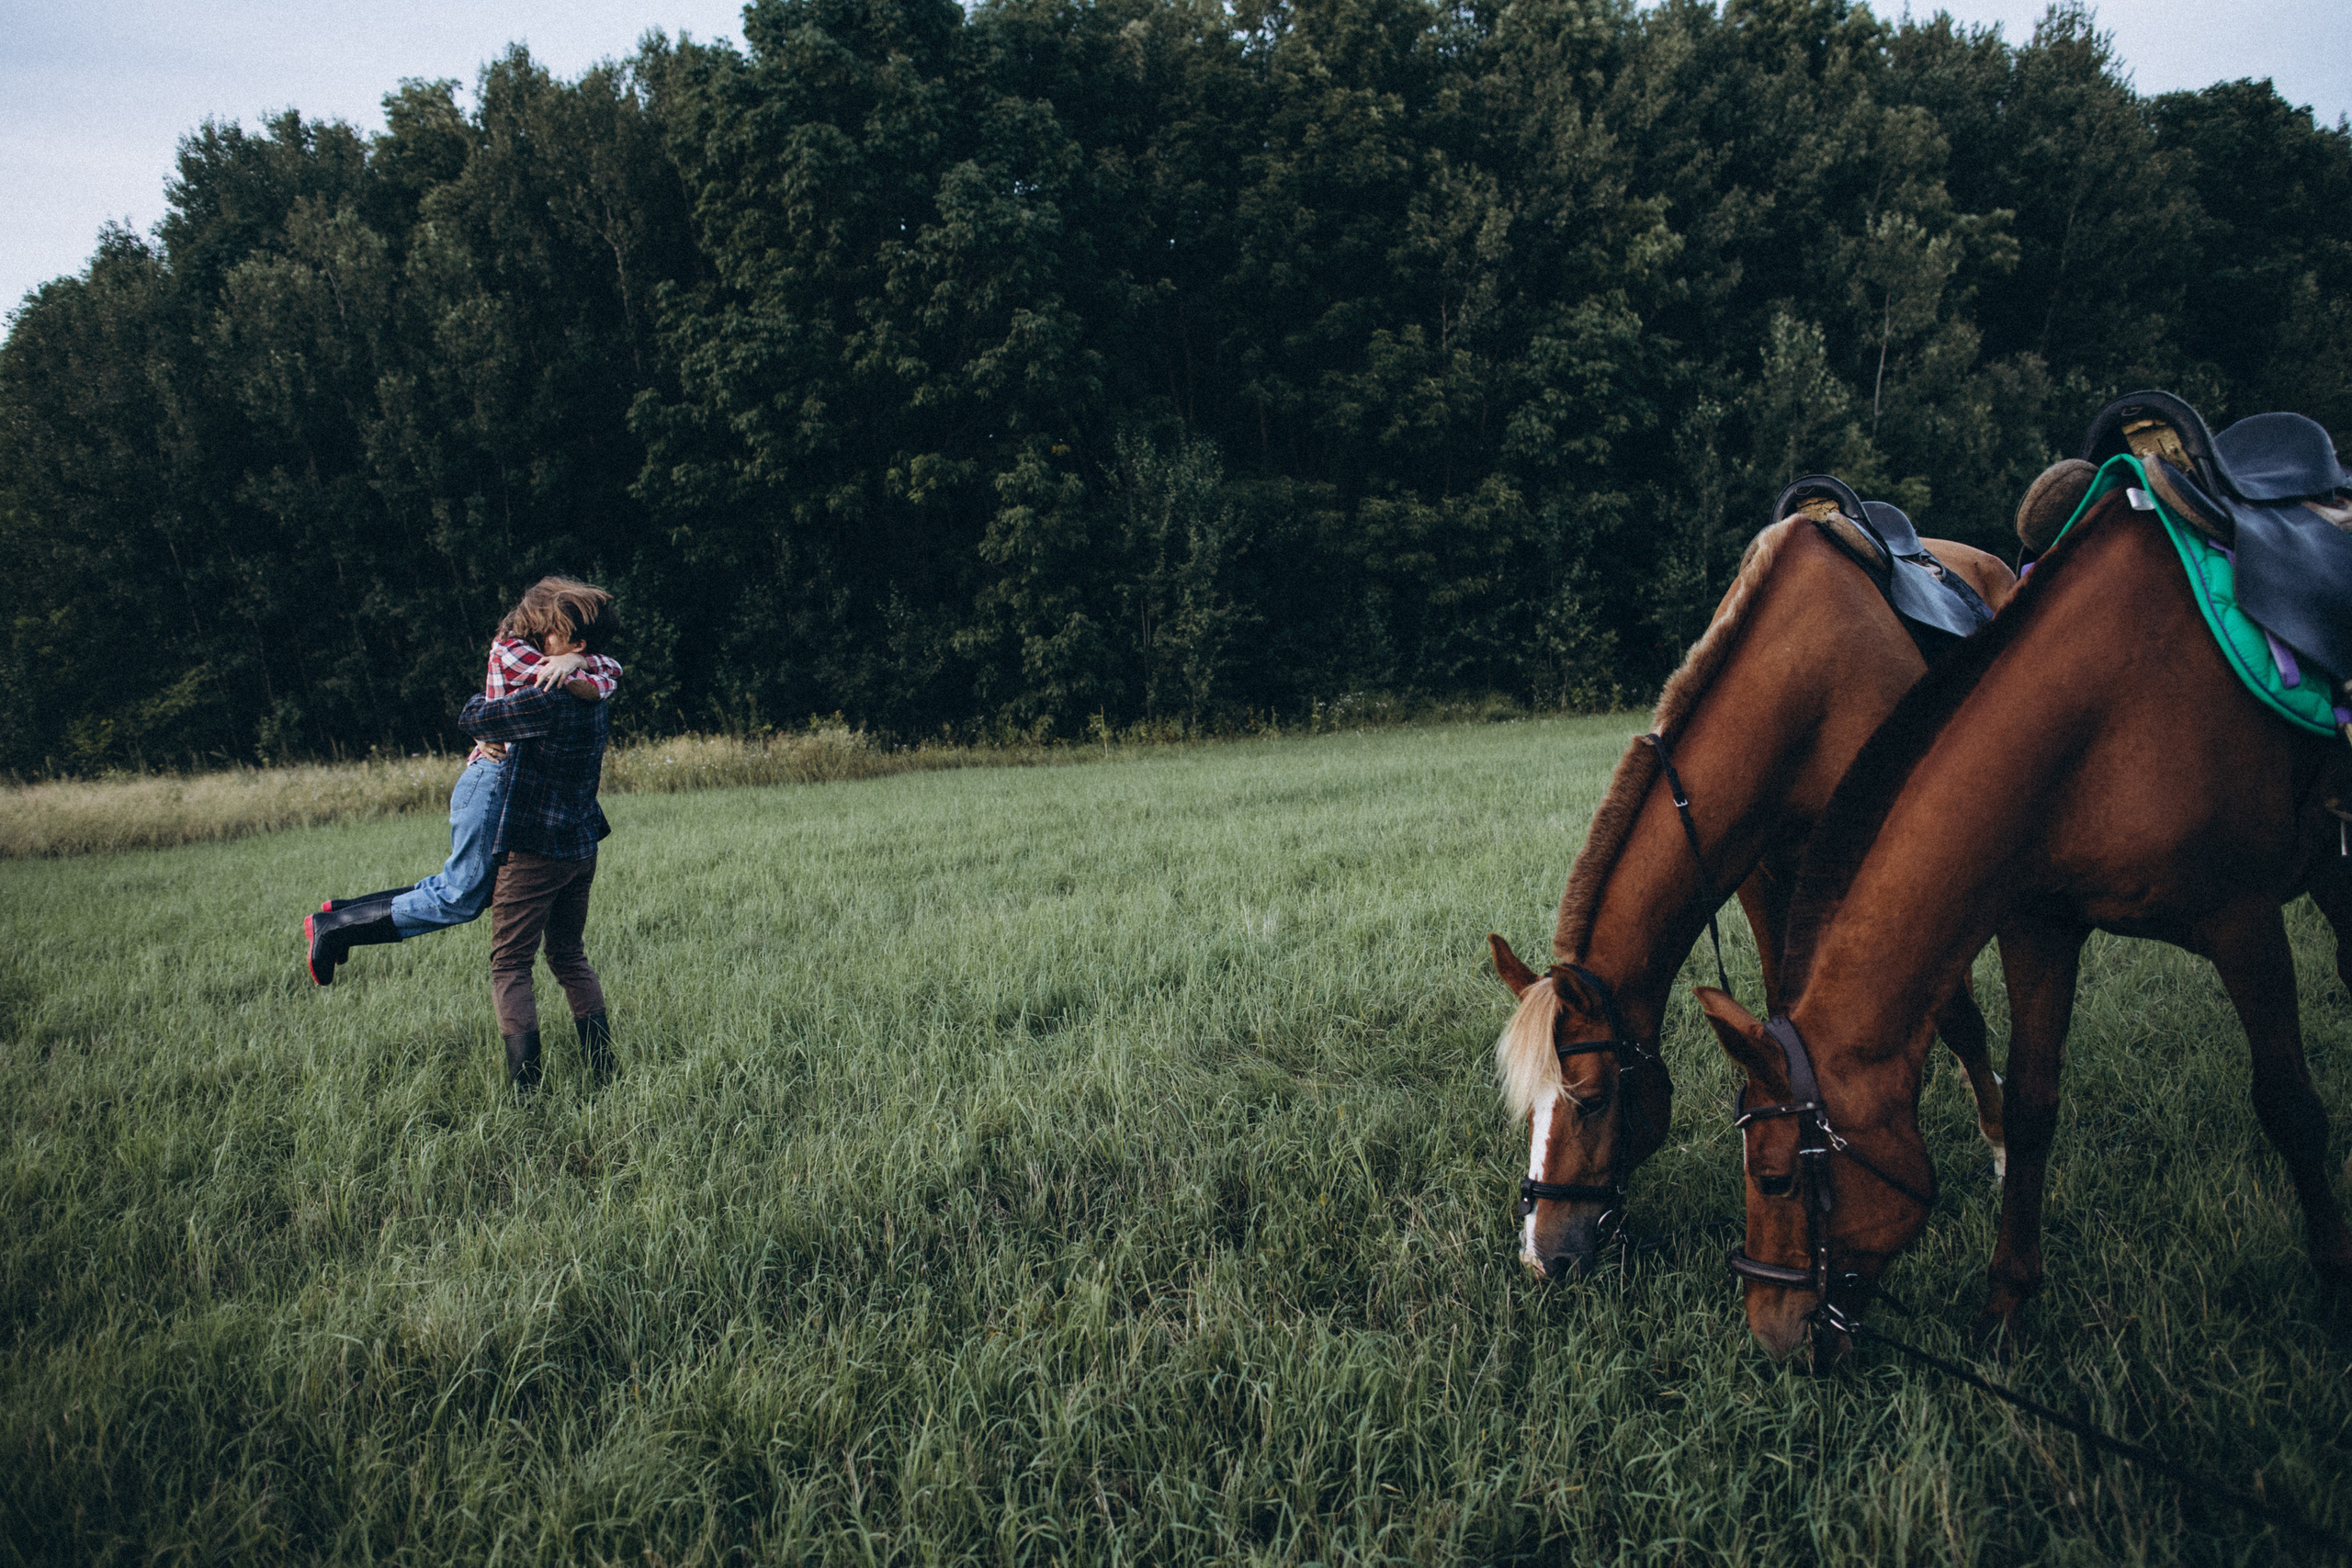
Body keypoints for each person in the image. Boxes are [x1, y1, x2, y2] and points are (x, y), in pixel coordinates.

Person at [303, 580, 622, 986]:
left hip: (507, 785)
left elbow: (609, 671)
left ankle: (344, 914)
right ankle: (336, 928)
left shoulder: (546, 649)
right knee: (461, 895)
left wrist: (578, 662)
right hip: (490, 783)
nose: (551, 638)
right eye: (554, 627)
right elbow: (600, 678)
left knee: (471, 889)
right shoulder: (514, 650)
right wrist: (577, 667)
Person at [453, 586, 624, 1094]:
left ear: (572, 639)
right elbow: (608, 670)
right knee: (569, 955)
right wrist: (577, 663)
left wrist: (499, 676)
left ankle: (527, 1090)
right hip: (580, 845)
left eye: (550, 632)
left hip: (533, 850)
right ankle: (603, 1070)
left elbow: (472, 716)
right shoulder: (598, 694)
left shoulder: (541, 700)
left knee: (510, 963)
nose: (541, 638)